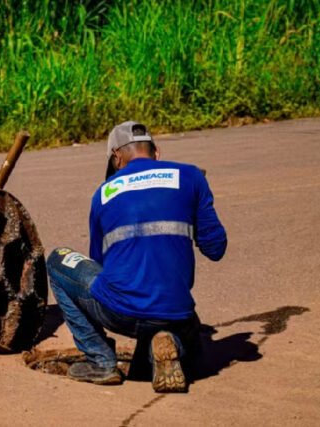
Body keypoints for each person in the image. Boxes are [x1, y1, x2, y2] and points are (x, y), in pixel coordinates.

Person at [46, 121, 227, 392]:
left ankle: (101, 360)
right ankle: (167, 341)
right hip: (175, 310)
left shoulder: (103, 194)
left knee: (57, 261)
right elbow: (216, 248)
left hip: (120, 311)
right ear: (157, 152)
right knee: (192, 340)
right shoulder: (190, 177)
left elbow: (101, 265)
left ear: (117, 158)